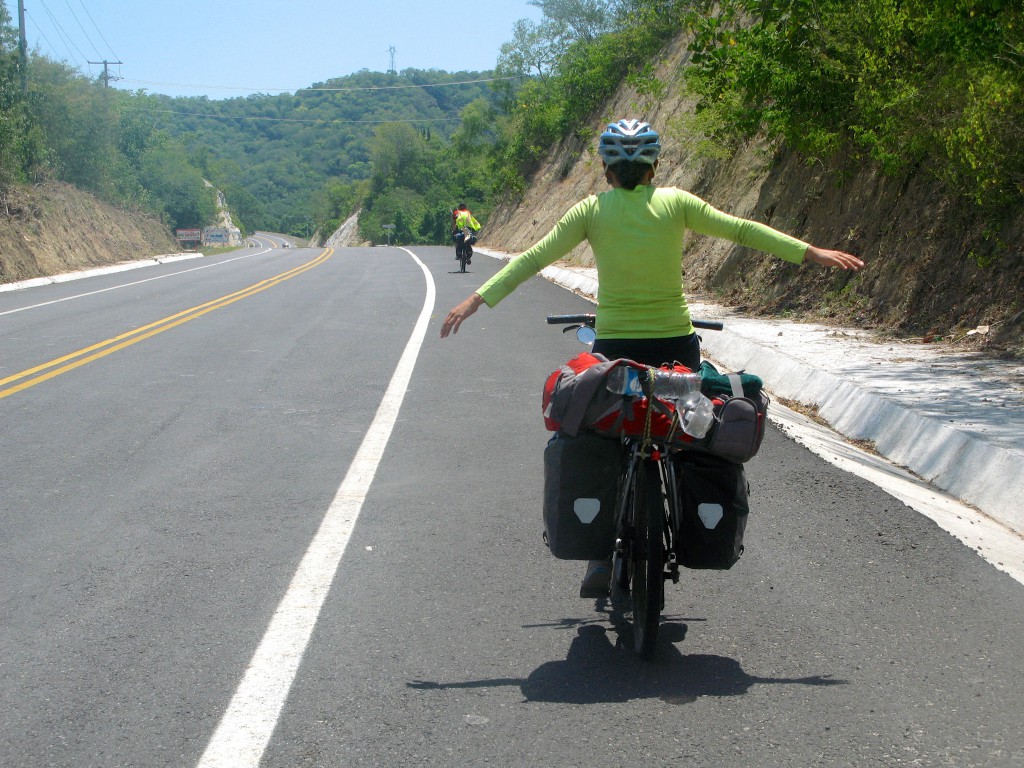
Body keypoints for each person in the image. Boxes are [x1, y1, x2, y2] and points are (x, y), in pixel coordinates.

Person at [440, 118, 864, 595]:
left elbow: (532, 259)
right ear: (654, 167)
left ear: (605, 169)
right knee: (682, 437)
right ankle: (684, 526)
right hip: (676, 346)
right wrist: (812, 252)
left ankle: (599, 556)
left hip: (616, 348)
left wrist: (475, 300)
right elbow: (742, 230)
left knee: (603, 437)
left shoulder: (590, 211)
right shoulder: (677, 203)